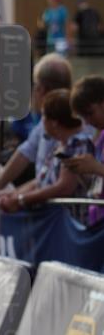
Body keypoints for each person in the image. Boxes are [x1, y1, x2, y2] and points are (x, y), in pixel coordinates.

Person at [0, 54, 73, 205]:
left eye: (34, 85)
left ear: (41, 89)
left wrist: (19, 199)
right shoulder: (43, 123)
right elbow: (26, 157)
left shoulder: (75, 130)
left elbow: (64, 186)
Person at [0, 89, 93, 222]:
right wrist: (14, 195)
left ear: (54, 122)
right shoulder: (59, 145)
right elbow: (42, 180)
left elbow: (64, 187)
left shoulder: (76, 145)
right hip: (53, 225)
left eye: (43, 116)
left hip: (70, 226)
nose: (41, 122)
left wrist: (21, 200)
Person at [67, 75, 104, 227]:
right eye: (83, 117)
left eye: (89, 113)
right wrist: (81, 172)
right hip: (96, 221)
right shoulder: (100, 137)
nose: (88, 121)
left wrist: (96, 167)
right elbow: (96, 185)